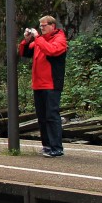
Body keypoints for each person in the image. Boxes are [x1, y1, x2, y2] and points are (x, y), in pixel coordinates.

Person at [20, 15, 69, 158]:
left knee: (51, 115)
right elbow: (25, 52)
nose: (41, 28)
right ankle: (47, 145)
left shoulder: (59, 39)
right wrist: (27, 40)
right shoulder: (40, 41)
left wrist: (38, 39)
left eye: (44, 25)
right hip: (39, 84)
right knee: (42, 117)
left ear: (52, 26)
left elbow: (52, 51)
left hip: (52, 83)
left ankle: (56, 148)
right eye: (40, 26)